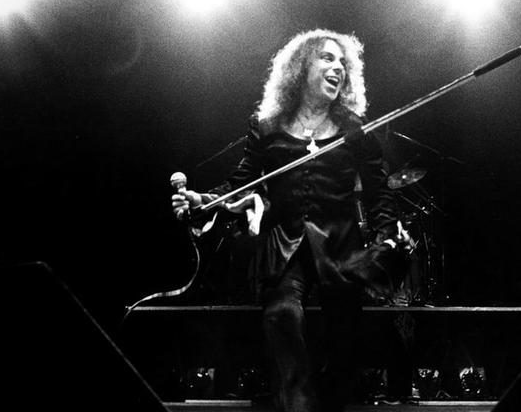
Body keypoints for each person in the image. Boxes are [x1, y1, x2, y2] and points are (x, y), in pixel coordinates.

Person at [172, 29, 405, 412]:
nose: (338, 68)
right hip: (287, 244)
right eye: (327, 59)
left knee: (343, 343)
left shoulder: (353, 129)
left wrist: (385, 238)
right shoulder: (267, 126)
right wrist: (203, 200)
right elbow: (241, 183)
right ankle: (297, 401)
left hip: (341, 245)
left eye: (343, 63)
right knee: (281, 314)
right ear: (300, 68)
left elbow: (380, 192)